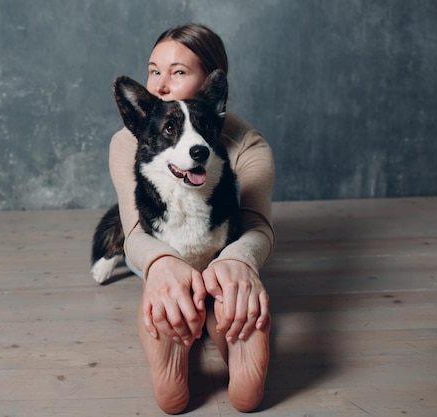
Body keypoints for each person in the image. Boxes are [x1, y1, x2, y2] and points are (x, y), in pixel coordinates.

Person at [108, 23, 275, 414]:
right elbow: (134, 230)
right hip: (160, 242)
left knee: (232, 287)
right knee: (162, 290)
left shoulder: (247, 144)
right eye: (154, 71)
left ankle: (235, 331)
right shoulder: (126, 141)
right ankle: (169, 347)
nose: (160, 86)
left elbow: (258, 225)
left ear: (211, 87)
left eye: (178, 72)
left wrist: (239, 261)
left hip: (220, 245)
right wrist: (161, 264)